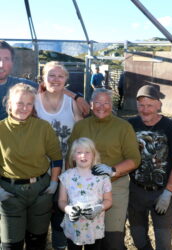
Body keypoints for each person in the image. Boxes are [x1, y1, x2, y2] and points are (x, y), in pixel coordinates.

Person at [68, 88, 141, 250]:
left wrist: (113, 169)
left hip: (114, 186)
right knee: (89, 238)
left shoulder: (123, 127)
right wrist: (70, 185)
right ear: (91, 105)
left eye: (106, 103)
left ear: (112, 105)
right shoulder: (81, 126)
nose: (102, 106)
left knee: (112, 239)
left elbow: (134, 159)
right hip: (84, 188)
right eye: (98, 102)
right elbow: (70, 156)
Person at [0, 83, 62, 249]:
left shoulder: (43, 127)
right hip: (10, 192)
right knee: (10, 244)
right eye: (20, 103)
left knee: (37, 241)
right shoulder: (1, 129)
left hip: (40, 191)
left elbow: (56, 158)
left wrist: (54, 183)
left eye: (29, 104)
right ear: (10, 104)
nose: (24, 108)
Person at [128, 84, 172, 250]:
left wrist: (168, 193)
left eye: (150, 105)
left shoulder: (170, 127)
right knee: (138, 239)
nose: (145, 110)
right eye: (141, 105)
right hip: (136, 192)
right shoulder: (130, 125)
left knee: (163, 243)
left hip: (161, 192)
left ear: (159, 105)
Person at [35, 61, 83, 250]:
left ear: (66, 80)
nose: (55, 80)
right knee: (40, 212)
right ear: (43, 78)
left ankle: (59, 245)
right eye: (51, 75)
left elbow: (80, 135)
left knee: (60, 211)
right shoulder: (34, 101)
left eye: (60, 76)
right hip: (40, 168)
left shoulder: (72, 103)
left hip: (66, 168)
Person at [0, 40, 90, 120]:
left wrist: (77, 97)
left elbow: (50, 86)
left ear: (12, 62)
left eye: (6, 59)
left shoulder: (20, 85)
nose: (1, 64)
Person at [58, 137, 112, 250]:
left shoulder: (102, 177)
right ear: (73, 156)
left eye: (87, 152)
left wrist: (99, 207)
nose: (83, 155)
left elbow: (108, 201)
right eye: (79, 152)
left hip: (94, 228)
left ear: (94, 155)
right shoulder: (66, 176)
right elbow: (62, 201)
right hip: (74, 228)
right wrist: (67, 209)